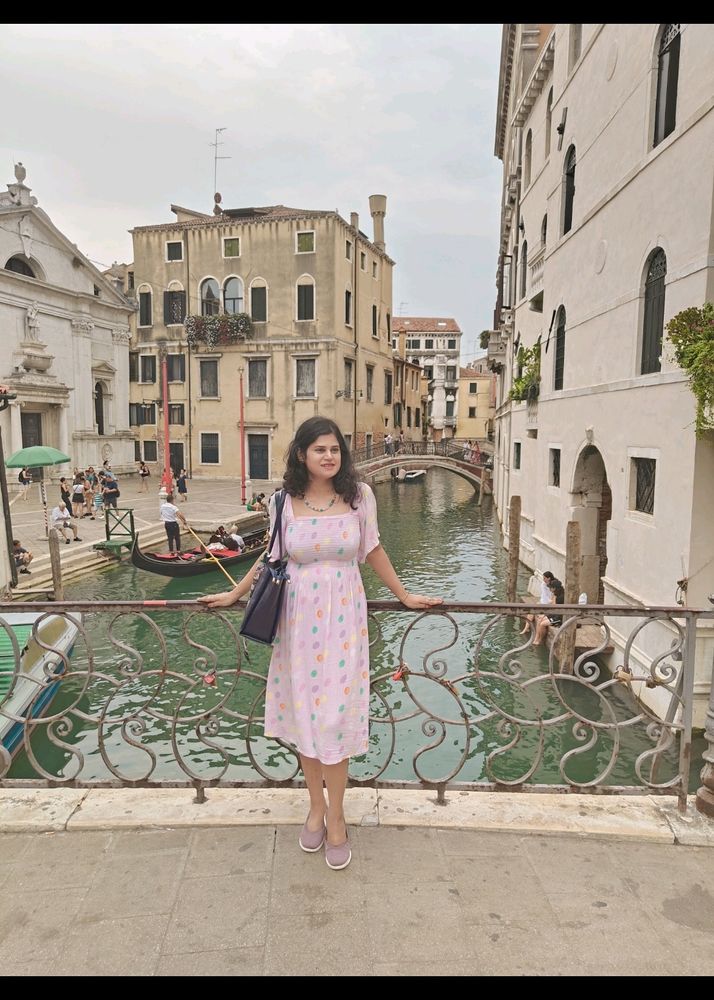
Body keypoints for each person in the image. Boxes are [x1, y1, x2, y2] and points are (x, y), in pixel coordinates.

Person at [200, 415, 442, 870]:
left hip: (345, 620)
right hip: (297, 622)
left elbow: (372, 550)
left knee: (336, 718)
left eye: (334, 449)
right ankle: (315, 806)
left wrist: (405, 595)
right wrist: (234, 594)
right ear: (301, 455)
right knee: (309, 721)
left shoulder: (359, 496)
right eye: (319, 450)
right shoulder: (283, 502)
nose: (329, 456)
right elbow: (271, 558)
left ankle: (337, 815)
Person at [520, 570, 555, 634]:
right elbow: (544, 598)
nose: (543, 579)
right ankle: (526, 628)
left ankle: (528, 630)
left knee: (537, 615)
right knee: (531, 612)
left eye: (544, 578)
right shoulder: (543, 585)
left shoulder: (554, 586)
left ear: (549, 578)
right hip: (544, 603)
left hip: (549, 605)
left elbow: (552, 598)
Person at [534, 578, 565, 646]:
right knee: (539, 619)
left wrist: (547, 615)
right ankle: (536, 638)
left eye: (551, 588)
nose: (550, 589)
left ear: (554, 588)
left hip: (560, 618)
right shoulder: (557, 594)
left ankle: (540, 640)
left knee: (542, 624)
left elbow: (554, 607)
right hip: (556, 614)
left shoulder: (561, 597)